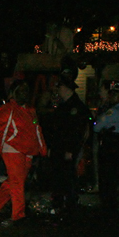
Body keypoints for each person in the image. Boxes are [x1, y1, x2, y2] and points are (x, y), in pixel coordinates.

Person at [0, 81, 46, 227]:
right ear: (13, 92)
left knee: (16, 180)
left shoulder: (30, 111)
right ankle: (18, 215)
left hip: (28, 152)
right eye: (21, 90)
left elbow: (37, 131)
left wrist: (43, 149)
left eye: (27, 90)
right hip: (12, 149)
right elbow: (0, 133)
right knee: (17, 182)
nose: (25, 93)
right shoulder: (7, 110)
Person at [49, 75, 92, 214]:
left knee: (67, 176)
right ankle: (59, 203)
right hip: (59, 148)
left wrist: (71, 150)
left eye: (60, 87)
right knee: (58, 175)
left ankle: (70, 204)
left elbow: (78, 132)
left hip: (67, 149)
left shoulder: (77, 107)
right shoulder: (64, 106)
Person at [93, 81, 119, 213]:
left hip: (110, 144)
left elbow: (97, 127)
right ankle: (113, 203)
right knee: (114, 175)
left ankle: (107, 204)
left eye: (114, 94)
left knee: (106, 175)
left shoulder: (113, 111)